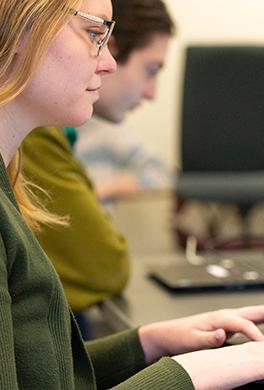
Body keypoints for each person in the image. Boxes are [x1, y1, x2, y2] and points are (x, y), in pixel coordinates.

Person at [0, 0, 264, 388]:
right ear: (17, 27)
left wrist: (148, 343)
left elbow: (36, 375)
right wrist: (188, 376)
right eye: (94, 32)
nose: (109, 61)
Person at [20, 0, 175, 327]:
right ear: (24, 34)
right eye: (94, 36)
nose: (106, 63)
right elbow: (104, 267)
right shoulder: (30, 135)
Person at [74, 0, 174, 204]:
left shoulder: (106, 131)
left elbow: (162, 172)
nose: (152, 94)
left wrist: (95, 192)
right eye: (151, 70)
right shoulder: (46, 134)